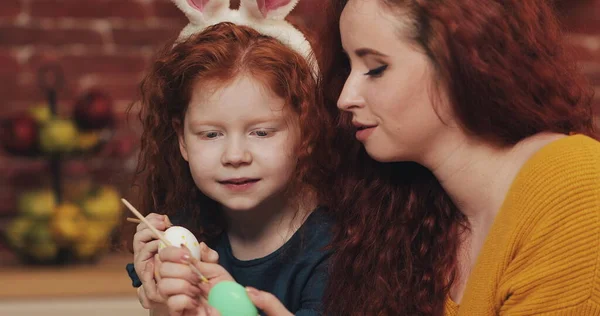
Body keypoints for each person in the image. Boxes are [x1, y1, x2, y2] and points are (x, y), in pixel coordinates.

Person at [316, 0, 600, 315]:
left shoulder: (573, 185)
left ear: (458, 60)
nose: (345, 97)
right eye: (349, 66)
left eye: (375, 68)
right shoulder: (418, 215)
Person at [124, 0, 333, 315]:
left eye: (261, 133)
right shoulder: (184, 229)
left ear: (306, 130)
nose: (235, 156)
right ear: (181, 138)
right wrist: (160, 302)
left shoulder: (336, 248)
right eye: (210, 134)